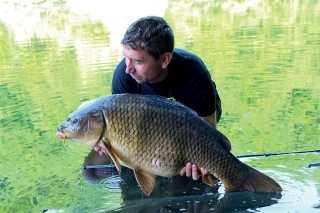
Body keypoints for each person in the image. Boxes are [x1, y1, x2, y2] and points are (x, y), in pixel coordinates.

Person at [93, 16, 222, 181]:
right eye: (126, 57)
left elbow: (208, 135)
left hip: (196, 119)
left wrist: (199, 162)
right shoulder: (124, 77)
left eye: (137, 61)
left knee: (193, 172)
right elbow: (124, 131)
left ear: (165, 60)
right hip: (144, 127)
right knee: (98, 172)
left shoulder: (194, 74)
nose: (128, 68)